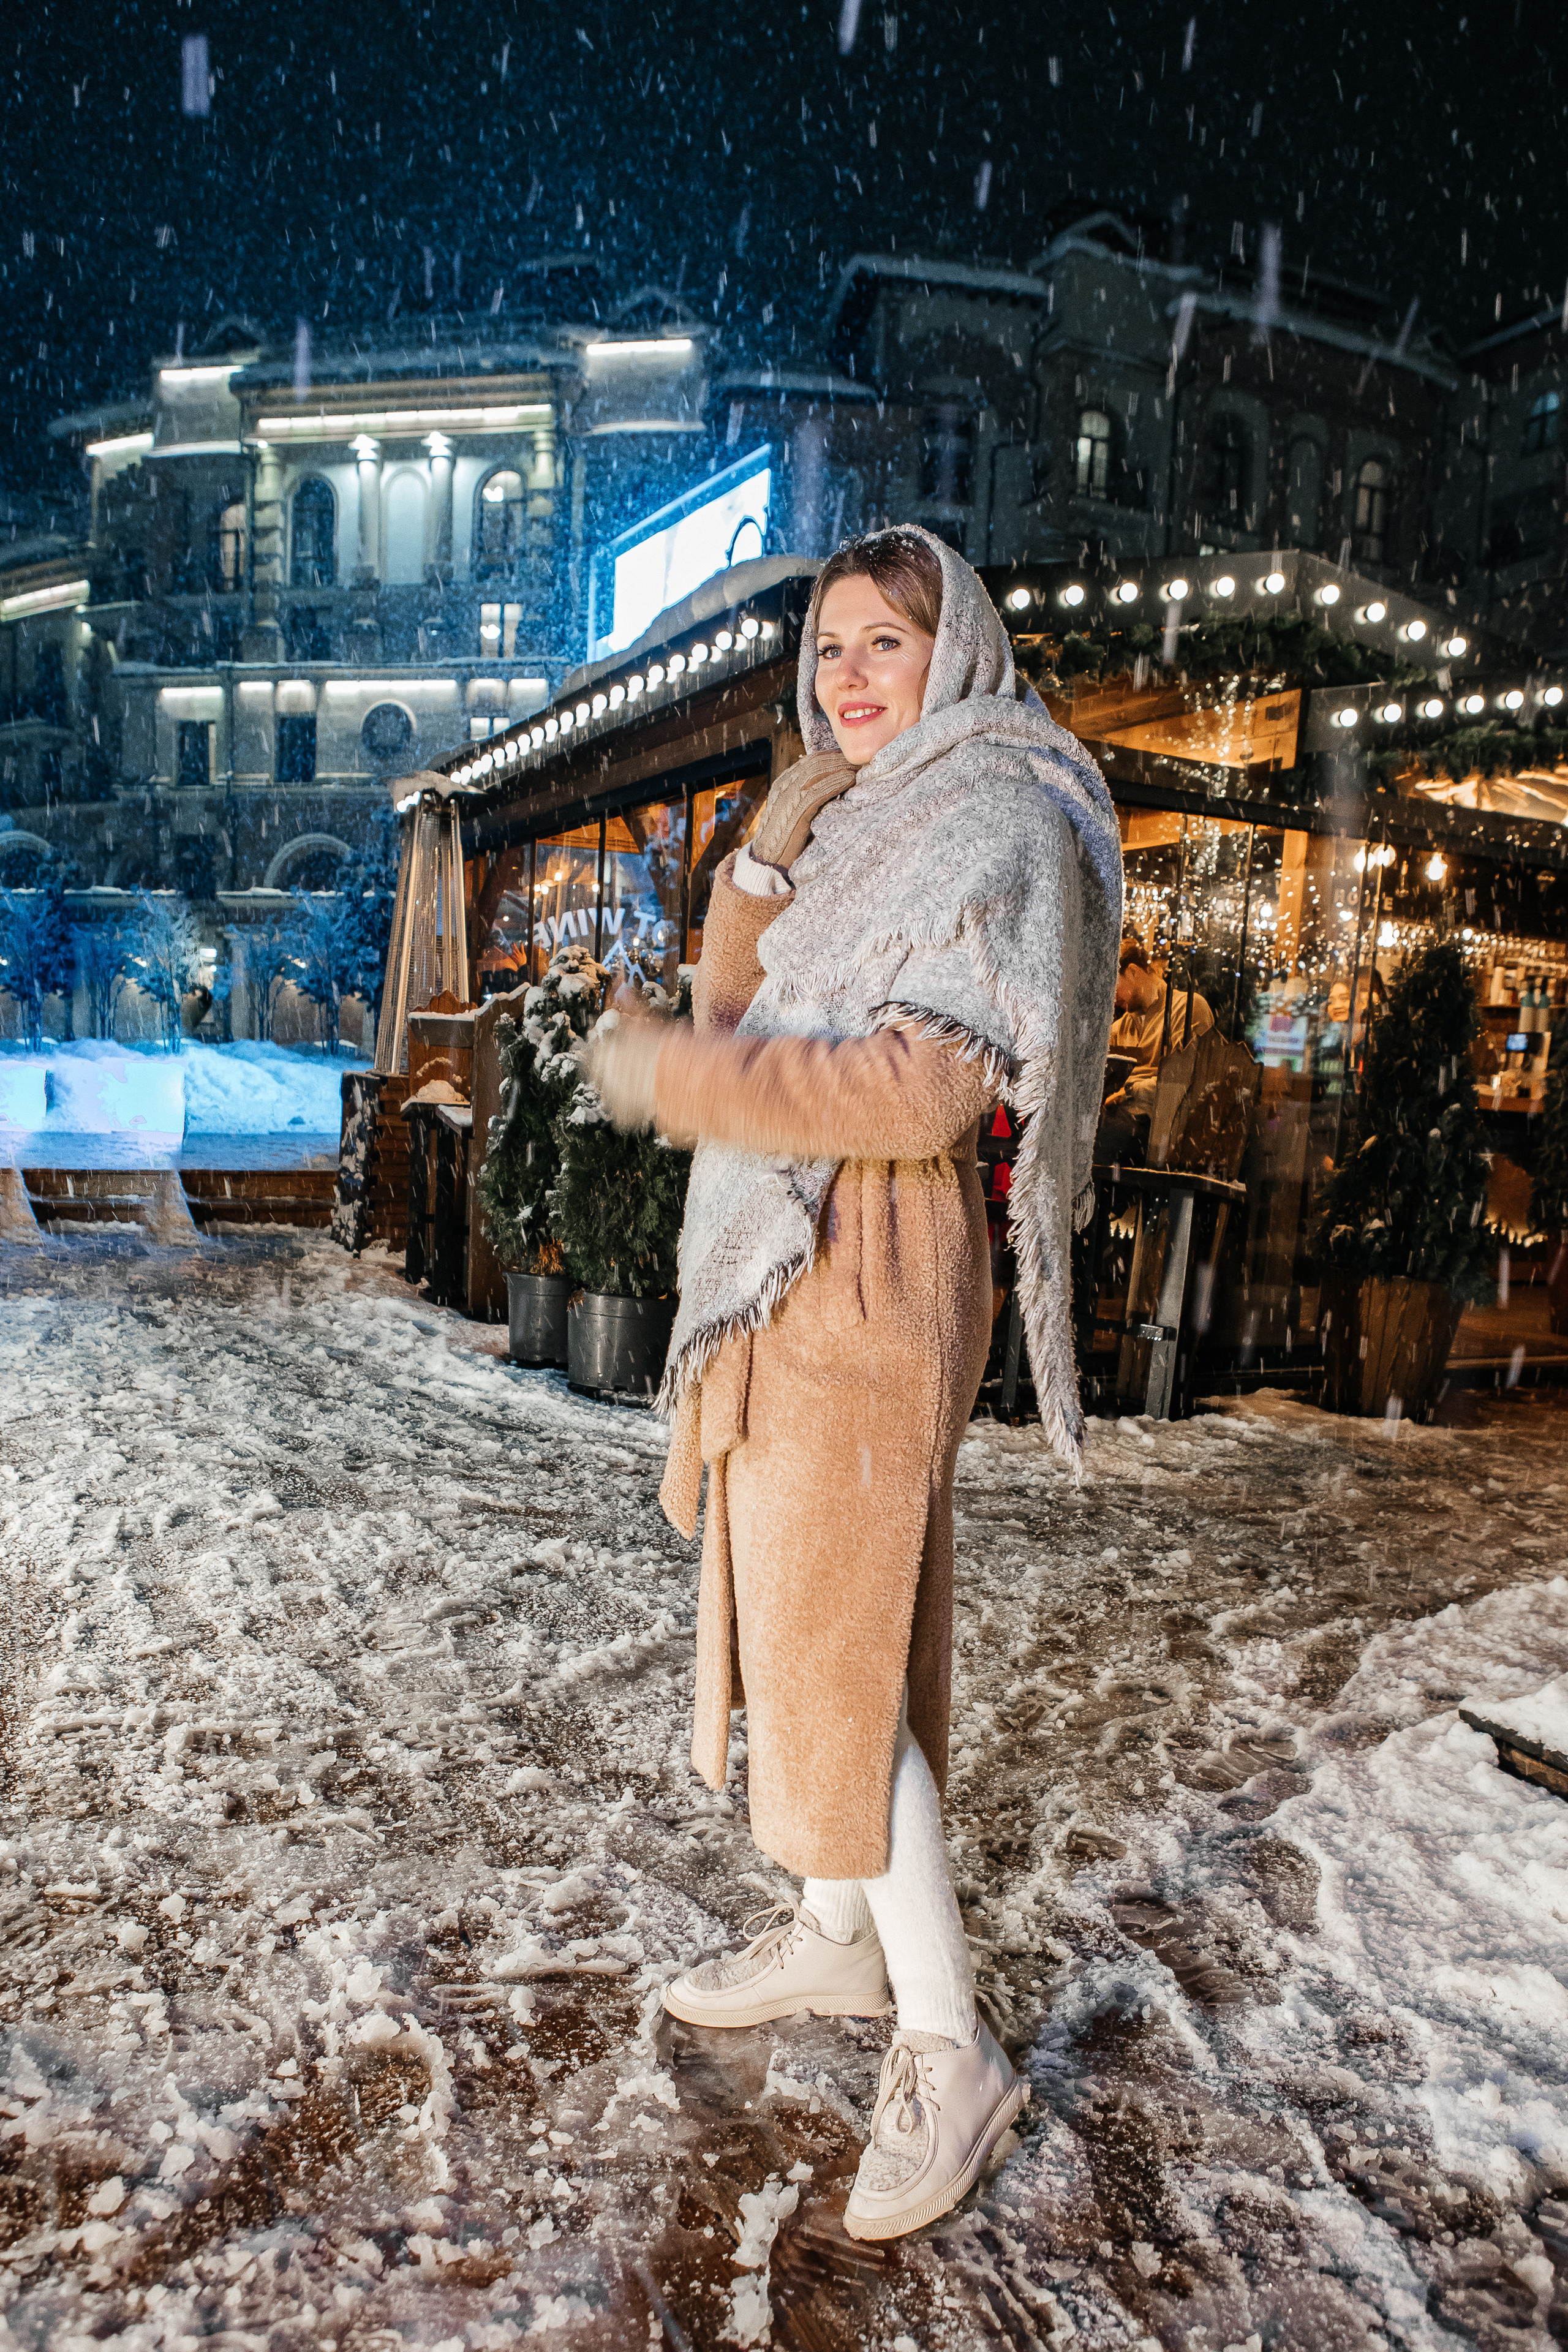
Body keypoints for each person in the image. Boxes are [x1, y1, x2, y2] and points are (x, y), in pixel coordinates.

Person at [584, 528, 1121, 2241]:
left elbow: (912, 1095)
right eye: (828, 649)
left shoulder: (1007, 817)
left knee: (837, 1645)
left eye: (886, 641)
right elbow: (740, 1005)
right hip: (792, 1263)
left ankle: (948, 2050)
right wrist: (760, 855)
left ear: (956, 645)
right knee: (808, 1613)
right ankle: (832, 1935)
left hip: (882, 1272)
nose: (851, 677)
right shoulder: (859, 811)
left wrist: (683, 1080)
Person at [1096, 937, 1213, 1167]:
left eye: (1113, 986)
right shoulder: (1119, 1028)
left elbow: (1190, 1082)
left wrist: (1129, 1090)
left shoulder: (1189, 1008)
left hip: (1163, 1129)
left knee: (1098, 1133)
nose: (1111, 997)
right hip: (1122, 1119)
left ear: (1132, 972)